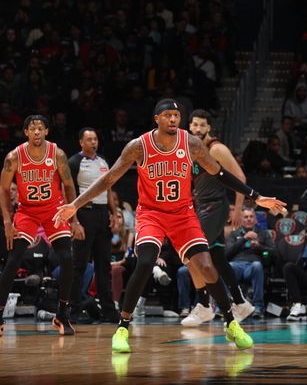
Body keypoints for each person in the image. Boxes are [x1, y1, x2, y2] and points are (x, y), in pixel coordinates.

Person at [53, 99, 287, 353]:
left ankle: (231, 322)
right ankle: (122, 328)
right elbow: (108, 178)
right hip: (151, 214)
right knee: (144, 263)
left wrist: (257, 196)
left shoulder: (192, 143)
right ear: (157, 119)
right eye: (168, 115)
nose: (174, 120)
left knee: (207, 266)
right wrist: (75, 205)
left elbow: (219, 173)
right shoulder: (139, 146)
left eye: (176, 115)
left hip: (182, 214)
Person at [0, 115, 78, 336]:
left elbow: (69, 185)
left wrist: (73, 217)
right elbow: (4, 189)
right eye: (32, 129)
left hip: (54, 209)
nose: (36, 132)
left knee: (67, 258)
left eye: (40, 128)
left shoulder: (58, 154)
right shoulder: (14, 156)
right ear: (25, 132)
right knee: (14, 259)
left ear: (46, 131)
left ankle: (62, 314)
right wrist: (7, 221)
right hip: (27, 211)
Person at [181, 109, 255, 327]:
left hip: (215, 208)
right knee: (218, 259)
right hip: (202, 207)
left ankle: (204, 305)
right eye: (194, 125)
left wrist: (238, 210)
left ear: (209, 128)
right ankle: (240, 303)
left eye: (201, 125)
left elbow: (240, 177)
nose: (197, 129)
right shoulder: (192, 147)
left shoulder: (217, 149)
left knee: (191, 255)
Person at [67, 127, 118, 323]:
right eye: (89, 140)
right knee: (79, 265)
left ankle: (108, 310)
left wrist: (114, 213)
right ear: (81, 142)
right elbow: (68, 192)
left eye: (95, 139)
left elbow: (109, 188)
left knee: (104, 265)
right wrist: (74, 221)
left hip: (102, 214)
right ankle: (72, 310)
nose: (93, 143)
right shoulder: (74, 162)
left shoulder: (104, 161)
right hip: (84, 215)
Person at [224, 207, 274, 319]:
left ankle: (258, 307)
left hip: (252, 266)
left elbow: (274, 252)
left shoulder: (263, 233)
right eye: (246, 217)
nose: (249, 219)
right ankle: (228, 306)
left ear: (256, 219)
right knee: (229, 266)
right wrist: (243, 239)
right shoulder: (234, 234)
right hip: (236, 265)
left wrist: (259, 247)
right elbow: (227, 253)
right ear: (241, 220)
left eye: (251, 217)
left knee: (257, 266)